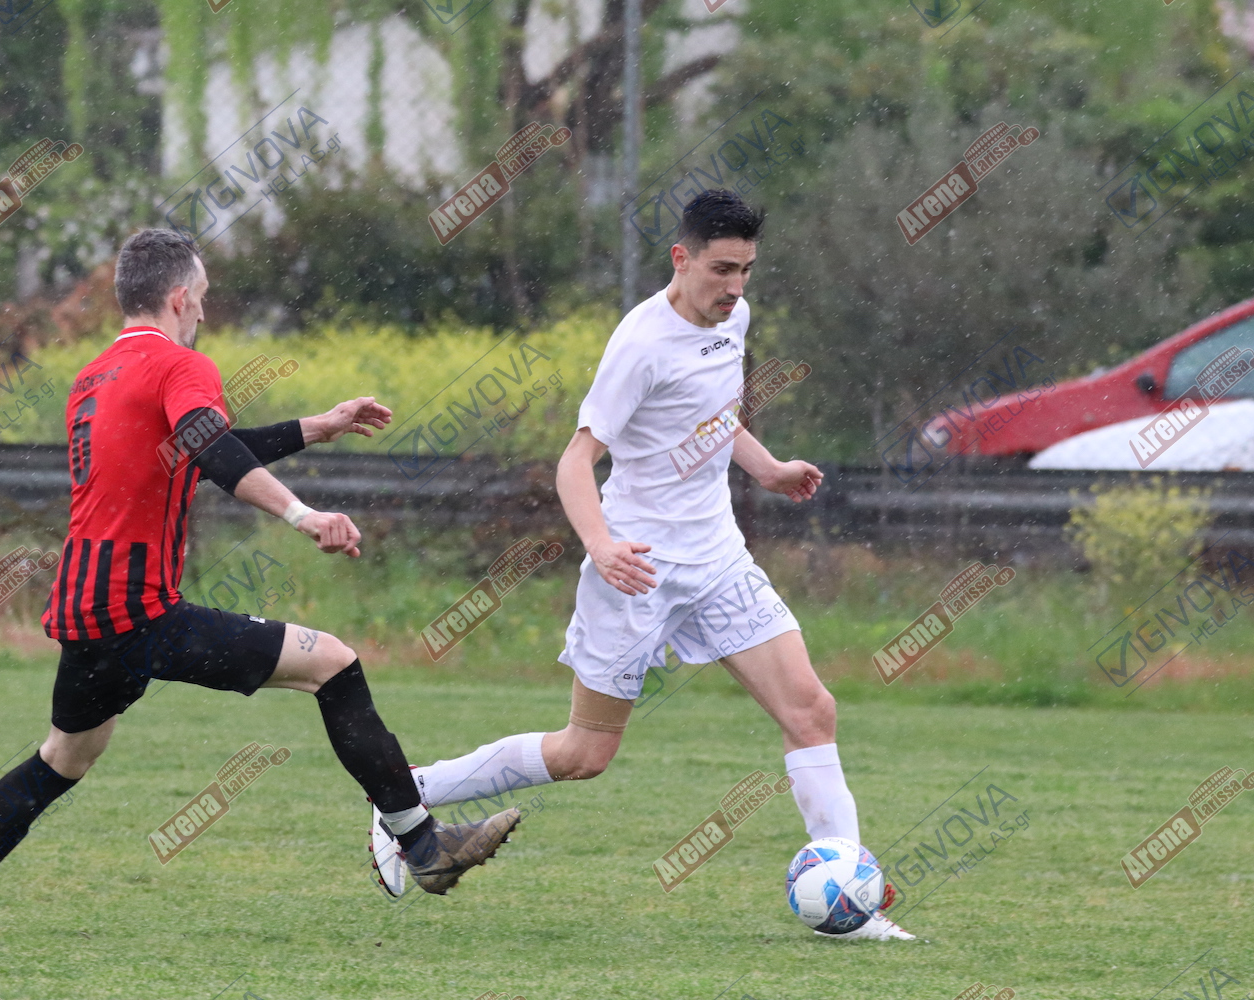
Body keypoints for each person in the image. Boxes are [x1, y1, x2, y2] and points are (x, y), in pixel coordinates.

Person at [0, 228, 520, 947]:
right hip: (140, 610)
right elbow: (211, 451)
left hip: (83, 608)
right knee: (335, 665)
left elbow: (195, 447)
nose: (203, 313)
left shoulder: (94, 377)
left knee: (64, 757)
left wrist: (317, 427)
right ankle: (425, 847)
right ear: (178, 297)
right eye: (202, 299)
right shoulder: (181, 364)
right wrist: (304, 515)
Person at [369, 190, 912, 941]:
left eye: (746, 271)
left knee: (811, 710)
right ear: (680, 258)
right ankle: (406, 794)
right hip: (638, 566)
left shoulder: (734, 319)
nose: (735, 287)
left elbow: (715, 417)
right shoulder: (640, 344)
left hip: (717, 559)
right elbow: (575, 461)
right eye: (721, 270)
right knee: (585, 753)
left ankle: (848, 901)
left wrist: (767, 468)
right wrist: (601, 546)